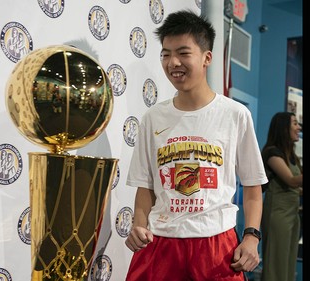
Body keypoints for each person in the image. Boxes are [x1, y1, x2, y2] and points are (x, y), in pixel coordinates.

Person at [124, 9, 267, 281]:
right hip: (162, 242)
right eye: (165, 54)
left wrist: (251, 237)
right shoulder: (152, 118)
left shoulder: (235, 115)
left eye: (183, 53)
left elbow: (252, 187)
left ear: (207, 58)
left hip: (216, 244)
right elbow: (146, 188)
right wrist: (139, 226)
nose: (173, 62)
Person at [260, 112, 303, 281]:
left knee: (288, 264)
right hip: (278, 214)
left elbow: (295, 189)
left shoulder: (291, 156)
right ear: (283, 128)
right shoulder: (272, 153)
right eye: (294, 123)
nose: (299, 127)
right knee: (276, 264)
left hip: (292, 215)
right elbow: (292, 181)